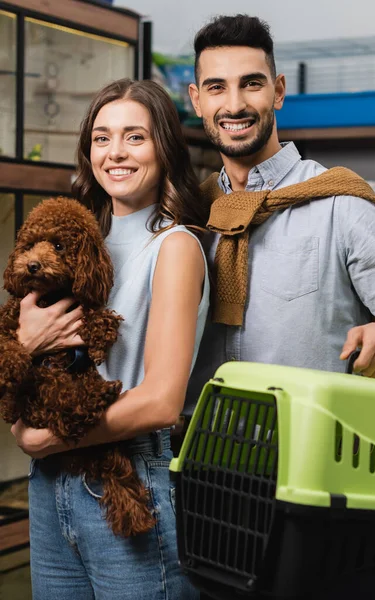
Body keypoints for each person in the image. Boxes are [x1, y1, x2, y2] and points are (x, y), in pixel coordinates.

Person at [11, 78, 209, 600]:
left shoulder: (175, 246)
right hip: (50, 483)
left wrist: (44, 438)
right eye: (102, 138)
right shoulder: (73, 245)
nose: (115, 153)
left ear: (164, 148)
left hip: (132, 476)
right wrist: (22, 404)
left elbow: (162, 401)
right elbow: (25, 361)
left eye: (134, 137)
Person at [186, 14, 375, 413]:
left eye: (252, 83)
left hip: (312, 457)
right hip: (199, 459)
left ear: (279, 91)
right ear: (197, 100)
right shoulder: (190, 215)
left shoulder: (343, 204)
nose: (234, 105)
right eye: (217, 88)